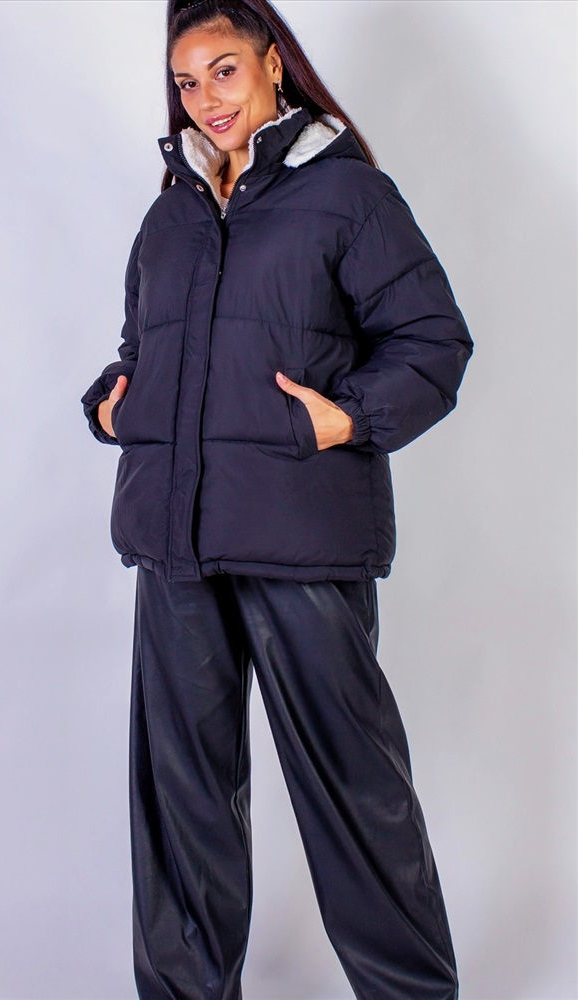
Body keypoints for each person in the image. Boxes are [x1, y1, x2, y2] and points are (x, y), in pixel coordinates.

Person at [81, 1, 473, 997]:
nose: (204, 98)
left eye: (222, 70)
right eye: (186, 81)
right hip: (175, 542)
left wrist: (342, 419)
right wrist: (115, 401)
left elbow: (433, 343)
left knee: (353, 790)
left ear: (271, 65)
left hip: (302, 533)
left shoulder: (347, 196)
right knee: (181, 802)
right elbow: (145, 349)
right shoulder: (170, 213)